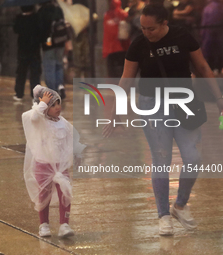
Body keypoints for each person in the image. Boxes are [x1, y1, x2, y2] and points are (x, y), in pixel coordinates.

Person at [103, 4, 223, 236]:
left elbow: (203, 66)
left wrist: (219, 97)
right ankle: (163, 215)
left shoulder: (182, 37)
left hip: (184, 104)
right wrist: (115, 112)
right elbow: (126, 79)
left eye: (152, 29)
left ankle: (179, 205)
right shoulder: (139, 44)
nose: (146, 33)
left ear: (165, 23)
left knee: (193, 157)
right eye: (143, 28)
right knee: (161, 159)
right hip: (153, 105)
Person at [22, 85, 85, 238]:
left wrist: (77, 154)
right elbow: (34, 117)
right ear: (44, 108)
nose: (58, 107)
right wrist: (42, 103)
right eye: (53, 105)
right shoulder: (39, 121)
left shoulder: (63, 123)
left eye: (58, 103)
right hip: (43, 164)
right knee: (44, 195)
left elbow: (73, 139)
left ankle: (64, 224)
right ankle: (44, 224)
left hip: (60, 165)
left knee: (65, 191)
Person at [38, 0, 67, 99]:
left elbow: (40, 30)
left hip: (48, 44)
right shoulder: (58, 9)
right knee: (59, 65)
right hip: (60, 41)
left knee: (49, 67)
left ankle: (52, 91)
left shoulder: (42, 11)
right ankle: (60, 86)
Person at [13, 5, 41, 101]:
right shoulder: (36, 18)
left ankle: (19, 93)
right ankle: (35, 95)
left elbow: (15, 29)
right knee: (35, 73)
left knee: (21, 72)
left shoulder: (19, 18)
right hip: (34, 49)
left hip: (22, 49)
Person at [103, 0, 130, 78]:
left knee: (116, 69)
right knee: (117, 69)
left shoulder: (109, 14)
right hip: (118, 47)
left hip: (118, 47)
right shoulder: (122, 14)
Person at [200, 0, 223, 74]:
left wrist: (202, 33)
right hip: (218, 33)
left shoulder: (208, 7)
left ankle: (212, 69)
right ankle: (217, 69)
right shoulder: (218, 7)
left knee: (210, 51)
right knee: (218, 51)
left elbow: (204, 22)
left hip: (209, 33)